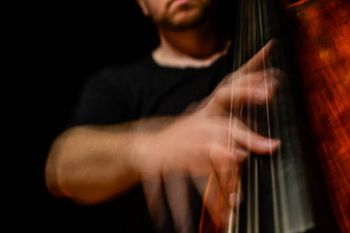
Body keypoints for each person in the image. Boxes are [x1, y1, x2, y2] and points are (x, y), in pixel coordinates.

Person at [45, 0, 281, 232]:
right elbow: (61, 165)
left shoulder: (272, 45)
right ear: (143, 5)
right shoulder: (117, 86)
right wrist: (153, 145)